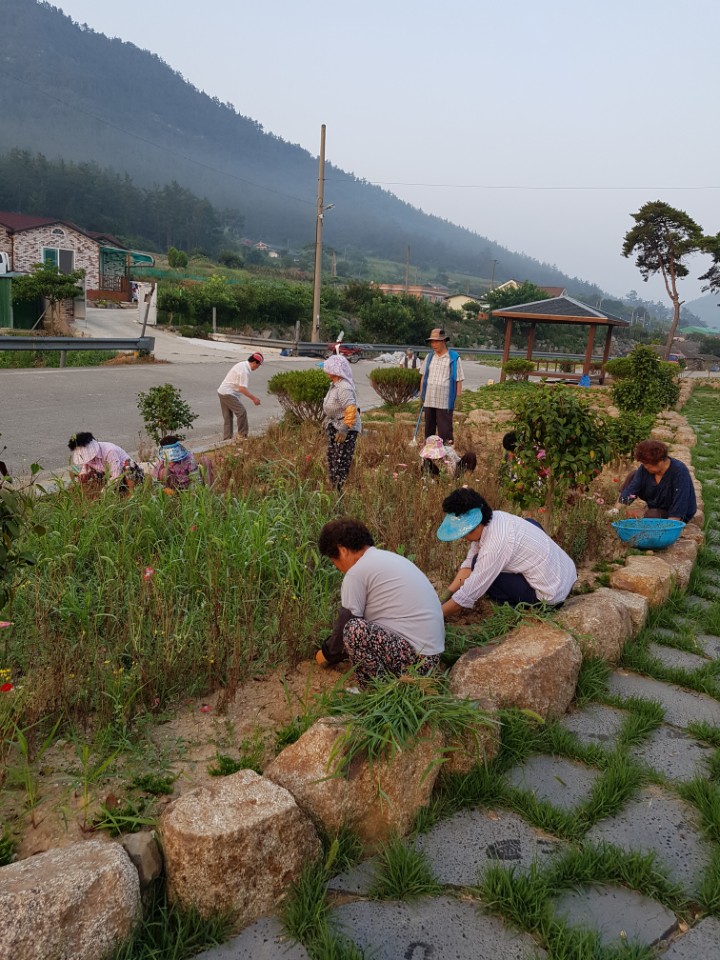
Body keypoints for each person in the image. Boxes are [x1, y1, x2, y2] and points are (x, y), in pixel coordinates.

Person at [315, 518, 445, 686]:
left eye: (334, 561)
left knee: (354, 630)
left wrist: (325, 654)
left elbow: (345, 624)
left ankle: (372, 689)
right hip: (430, 658)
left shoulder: (357, 572)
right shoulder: (387, 559)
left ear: (343, 550)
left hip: (416, 664)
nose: (338, 567)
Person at [436, 488, 576, 617]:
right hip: (567, 574)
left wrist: (435, 615)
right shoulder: (497, 517)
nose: (461, 537)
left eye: (463, 532)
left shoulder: (495, 545)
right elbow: (467, 564)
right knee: (530, 522)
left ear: (475, 526)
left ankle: (524, 609)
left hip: (551, 598)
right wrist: (446, 595)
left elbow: (467, 595)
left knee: (484, 571)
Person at [619, 439, 696, 522]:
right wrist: (615, 511)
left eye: (647, 465)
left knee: (652, 515)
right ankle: (617, 511)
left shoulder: (679, 472)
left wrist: (671, 524)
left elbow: (680, 503)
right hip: (657, 504)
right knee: (633, 475)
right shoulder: (645, 469)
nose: (645, 467)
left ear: (659, 462)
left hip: (676, 512)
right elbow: (632, 488)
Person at [323, 354, 361, 492]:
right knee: (332, 457)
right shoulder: (334, 385)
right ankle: (334, 487)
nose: (325, 370)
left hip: (346, 429)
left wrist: (344, 429)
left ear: (335, 370)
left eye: (327, 368)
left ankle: (338, 489)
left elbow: (351, 409)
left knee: (340, 460)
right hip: (335, 425)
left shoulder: (344, 387)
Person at [419, 328, 464, 444]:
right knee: (429, 430)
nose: (433, 344)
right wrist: (421, 394)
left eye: (436, 341)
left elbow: (458, 379)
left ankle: (447, 454)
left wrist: (458, 398)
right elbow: (423, 376)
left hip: (444, 401)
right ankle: (429, 456)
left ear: (443, 341)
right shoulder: (429, 357)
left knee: (445, 430)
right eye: (432, 342)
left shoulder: (453, 358)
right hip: (429, 399)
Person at [68, 432, 144, 489]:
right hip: (110, 477)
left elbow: (116, 475)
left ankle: (132, 494)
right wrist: (83, 475)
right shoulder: (85, 457)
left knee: (128, 465)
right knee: (94, 473)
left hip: (125, 475)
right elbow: (85, 469)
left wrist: (105, 490)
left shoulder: (110, 451)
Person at [217, 352, 264, 440]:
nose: (257, 368)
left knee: (228, 417)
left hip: (222, 391)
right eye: (257, 366)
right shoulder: (244, 371)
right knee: (241, 412)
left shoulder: (242, 364)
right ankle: (242, 436)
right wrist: (254, 399)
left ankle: (227, 439)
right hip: (228, 393)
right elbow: (242, 389)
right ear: (254, 362)